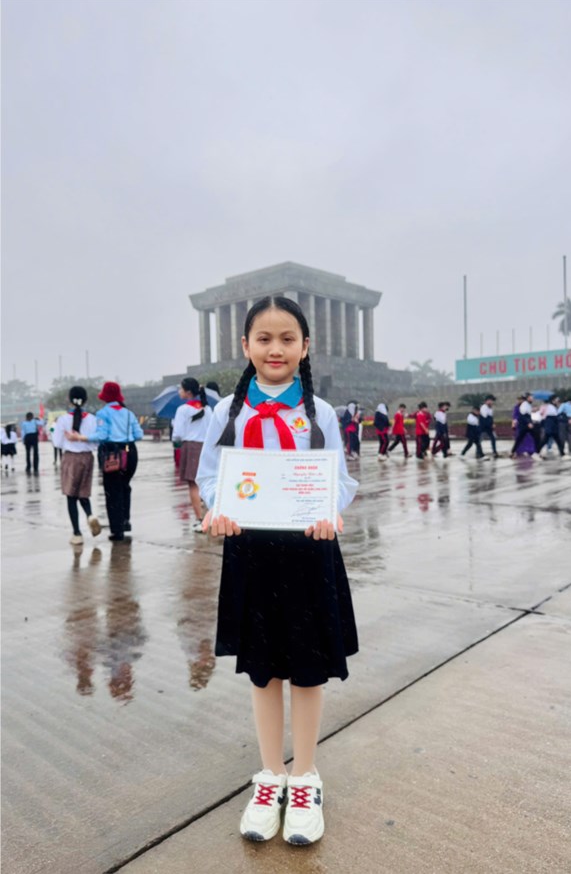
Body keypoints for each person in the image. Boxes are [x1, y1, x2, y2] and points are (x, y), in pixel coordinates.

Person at [197, 295, 358, 847]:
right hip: (251, 553)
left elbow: (339, 478)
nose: (275, 349)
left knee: (309, 669)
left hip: (310, 552)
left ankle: (305, 777)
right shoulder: (228, 412)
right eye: (263, 339)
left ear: (305, 346)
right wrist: (217, 510)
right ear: (245, 346)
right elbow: (211, 476)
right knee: (263, 671)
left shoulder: (321, 412)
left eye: (287, 338)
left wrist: (329, 512)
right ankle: (270, 777)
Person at [67, 382, 143, 542]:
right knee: (125, 487)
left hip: (112, 454)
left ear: (105, 396)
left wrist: (81, 437)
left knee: (113, 491)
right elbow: (139, 434)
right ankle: (125, 521)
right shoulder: (129, 413)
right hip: (130, 452)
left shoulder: (103, 413)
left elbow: (102, 435)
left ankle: (117, 530)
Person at [52, 386, 103, 545]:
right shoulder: (93, 419)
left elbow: (57, 442)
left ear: (69, 399)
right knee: (83, 493)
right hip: (87, 458)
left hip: (70, 458)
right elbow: (97, 441)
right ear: (85, 400)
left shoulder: (63, 419)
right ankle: (90, 515)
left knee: (71, 496)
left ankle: (77, 533)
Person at [172, 377, 213, 532]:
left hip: (190, 447)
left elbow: (177, 434)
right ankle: (210, 517)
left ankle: (200, 519)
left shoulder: (183, 410)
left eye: (181, 389)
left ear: (188, 392)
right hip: (206, 447)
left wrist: (177, 442)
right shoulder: (207, 409)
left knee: (193, 485)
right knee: (207, 483)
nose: (179, 391)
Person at [510, 393, 541, 459]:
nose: (532, 399)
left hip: (525, 425)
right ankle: (536, 452)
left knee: (522, 438)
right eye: (531, 397)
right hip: (524, 425)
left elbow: (528, 415)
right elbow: (523, 416)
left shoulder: (527, 405)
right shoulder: (524, 405)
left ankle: (513, 452)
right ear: (527, 398)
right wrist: (529, 423)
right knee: (521, 438)